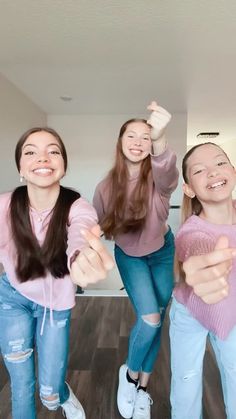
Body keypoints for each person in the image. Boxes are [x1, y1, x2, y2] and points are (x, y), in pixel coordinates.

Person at [0, 127, 114, 419]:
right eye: (31, 151)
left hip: (55, 304)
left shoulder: (77, 206)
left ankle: (61, 393)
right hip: (11, 298)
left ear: (63, 165)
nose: (43, 157)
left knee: (49, 394)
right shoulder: (4, 205)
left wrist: (80, 258)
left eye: (53, 151)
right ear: (21, 168)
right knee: (21, 384)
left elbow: (81, 231)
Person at [93, 101, 179, 419]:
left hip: (163, 251)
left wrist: (160, 137)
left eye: (146, 137)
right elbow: (100, 228)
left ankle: (143, 388)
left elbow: (169, 175)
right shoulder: (104, 188)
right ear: (121, 142)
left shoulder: (158, 179)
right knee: (150, 320)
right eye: (132, 135)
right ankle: (129, 375)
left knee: (159, 315)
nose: (139, 142)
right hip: (131, 258)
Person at [169, 142, 236, 419]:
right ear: (188, 189)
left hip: (230, 315)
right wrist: (200, 263)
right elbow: (193, 246)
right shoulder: (190, 230)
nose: (212, 172)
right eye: (199, 170)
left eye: (220, 163)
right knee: (186, 382)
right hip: (190, 313)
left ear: (233, 171)